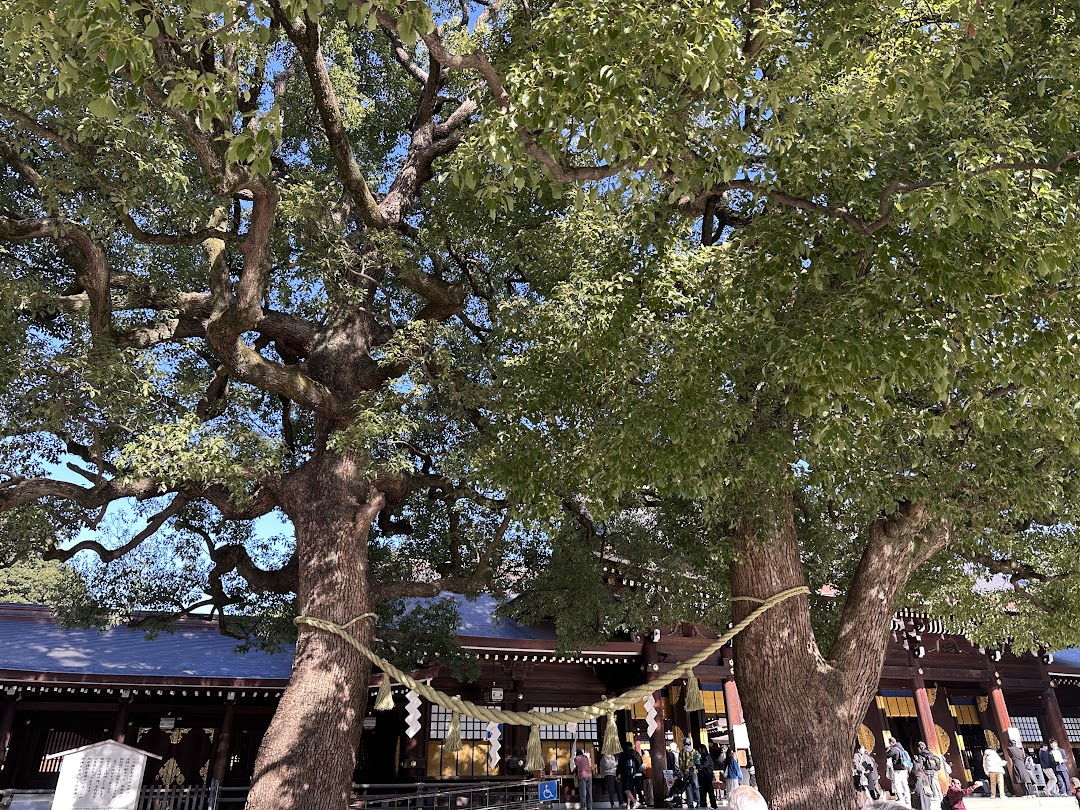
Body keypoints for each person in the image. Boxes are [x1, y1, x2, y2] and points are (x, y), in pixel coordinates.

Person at [886, 737, 912, 807]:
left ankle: (901, 798)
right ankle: (908, 798)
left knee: (897, 784)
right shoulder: (901, 748)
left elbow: (887, 755)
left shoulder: (894, 749)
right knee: (905, 784)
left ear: (891, 743)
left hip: (898, 770)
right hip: (905, 769)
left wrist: (889, 749)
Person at [678, 737, 701, 808]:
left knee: (688, 786)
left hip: (686, 772)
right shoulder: (694, 751)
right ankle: (698, 802)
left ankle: (690, 803)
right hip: (694, 771)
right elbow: (699, 758)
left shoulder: (682, 751)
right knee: (696, 786)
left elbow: (680, 763)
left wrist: (682, 769)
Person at [618, 741, 641, 810]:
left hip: (625, 774)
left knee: (625, 789)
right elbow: (639, 762)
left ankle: (635, 802)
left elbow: (620, 765)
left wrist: (618, 773)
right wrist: (636, 770)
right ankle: (628, 805)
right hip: (633, 773)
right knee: (630, 789)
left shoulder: (623, 754)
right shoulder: (635, 753)